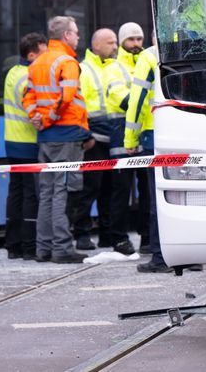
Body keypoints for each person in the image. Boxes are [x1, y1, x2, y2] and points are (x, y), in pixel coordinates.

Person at [24, 16, 91, 264]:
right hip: (66, 135)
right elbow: (67, 97)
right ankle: (62, 248)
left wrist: (37, 119)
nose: (78, 37)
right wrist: (49, 118)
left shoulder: (38, 62)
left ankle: (44, 248)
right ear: (66, 36)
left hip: (46, 138)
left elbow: (27, 97)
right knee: (62, 192)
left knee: (47, 192)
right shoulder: (67, 62)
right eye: (75, 33)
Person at [67, 28, 125, 252]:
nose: (115, 47)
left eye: (115, 42)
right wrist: (86, 135)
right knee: (90, 187)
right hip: (94, 137)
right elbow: (77, 104)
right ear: (97, 45)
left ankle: (106, 235)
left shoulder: (115, 66)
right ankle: (82, 233)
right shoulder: (84, 69)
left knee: (110, 189)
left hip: (114, 136)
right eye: (110, 43)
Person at [124, 42, 171, 273]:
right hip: (188, 132)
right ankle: (190, 257)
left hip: (156, 136)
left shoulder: (149, 56)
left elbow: (137, 100)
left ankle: (161, 257)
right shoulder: (188, 46)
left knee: (157, 197)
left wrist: (130, 139)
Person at [2, 32, 47, 260]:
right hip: (28, 142)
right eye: (42, 53)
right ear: (31, 55)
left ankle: (13, 245)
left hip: (12, 141)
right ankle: (29, 247)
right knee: (31, 195)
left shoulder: (12, 72)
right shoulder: (27, 76)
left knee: (16, 193)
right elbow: (34, 111)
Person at [106, 22, 147, 253]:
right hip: (121, 133)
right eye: (131, 40)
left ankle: (148, 238)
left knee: (147, 190)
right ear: (122, 42)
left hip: (145, 133)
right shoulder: (113, 68)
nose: (135, 44)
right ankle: (119, 238)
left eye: (139, 39)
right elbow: (121, 98)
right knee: (121, 190)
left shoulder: (146, 63)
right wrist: (143, 103)